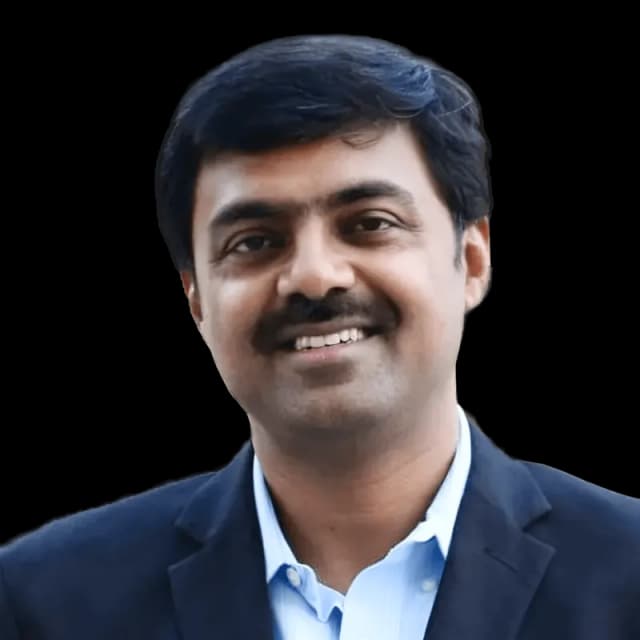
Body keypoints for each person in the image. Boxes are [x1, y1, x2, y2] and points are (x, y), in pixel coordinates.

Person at [1, 34, 638, 640]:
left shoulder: (627, 574)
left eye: (370, 223)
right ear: (195, 298)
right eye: (256, 241)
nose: (313, 276)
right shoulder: (46, 602)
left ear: (471, 260)